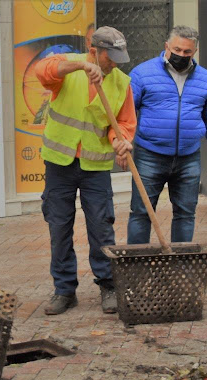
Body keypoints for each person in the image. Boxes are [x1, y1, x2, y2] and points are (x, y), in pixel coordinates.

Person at [35, 26, 136, 316]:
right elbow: (44, 71)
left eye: (119, 56)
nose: (115, 62)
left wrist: (121, 143)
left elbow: (124, 123)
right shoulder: (68, 69)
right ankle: (64, 290)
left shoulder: (121, 83)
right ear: (94, 50)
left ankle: (108, 286)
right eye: (110, 56)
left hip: (95, 167)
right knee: (59, 228)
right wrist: (81, 66)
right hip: (60, 164)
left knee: (102, 228)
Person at [126, 26, 207, 244]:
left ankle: (180, 265)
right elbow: (125, 113)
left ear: (195, 52)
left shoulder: (205, 78)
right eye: (177, 50)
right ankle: (135, 267)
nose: (181, 55)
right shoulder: (142, 73)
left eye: (187, 52)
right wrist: (122, 143)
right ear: (166, 47)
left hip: (188, 157)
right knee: (141, 213)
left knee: (185, 215)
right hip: (149, 156)